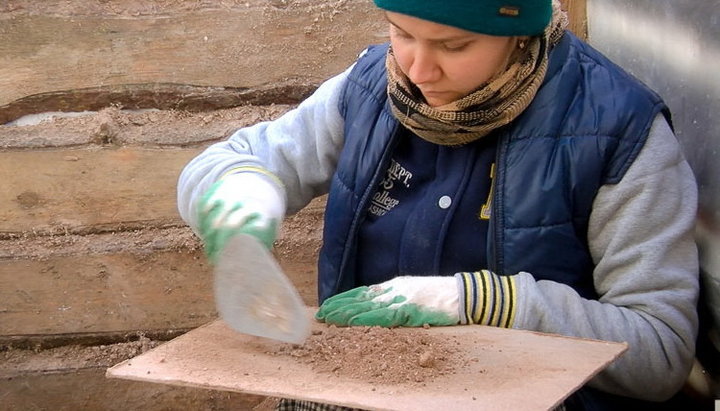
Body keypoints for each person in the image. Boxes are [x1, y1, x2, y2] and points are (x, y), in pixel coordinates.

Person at [177, 0, 700, 409]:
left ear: (518, 35)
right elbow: (241, 157)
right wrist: (240, 191)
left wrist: (490, 303)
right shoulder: (369, 88)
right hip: (358, 396)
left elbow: (661, 352)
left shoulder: (618, 132)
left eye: (454, 45)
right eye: (401, 32)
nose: (419, 70)